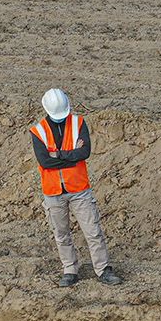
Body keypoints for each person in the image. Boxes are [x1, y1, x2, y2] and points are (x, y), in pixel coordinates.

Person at [32, 88, 121, 288]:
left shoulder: (78, 123)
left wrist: (58, 155)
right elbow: (45, 161)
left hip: (79, 189)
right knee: (61, 233)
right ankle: (69, 269)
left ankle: (103, 269)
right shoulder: (39, 131)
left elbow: (85, 152)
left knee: (93, 231)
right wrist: (71, 155)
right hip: (53, 192)